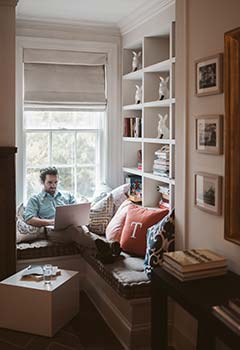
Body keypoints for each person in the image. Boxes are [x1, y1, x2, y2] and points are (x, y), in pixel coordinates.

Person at [24, 166, 121, 262]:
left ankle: (104, 254)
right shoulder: (35, 199)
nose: (53, 185)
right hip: (53, 232)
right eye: (49, 182)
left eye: (55, 182)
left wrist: (81, 219)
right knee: (75, 231)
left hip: (74, 227)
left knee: (79, 229)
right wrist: (50, 222)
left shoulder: (67, 196)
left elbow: (77, 211)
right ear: (42, 182)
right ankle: (108, 245)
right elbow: (29, 218)